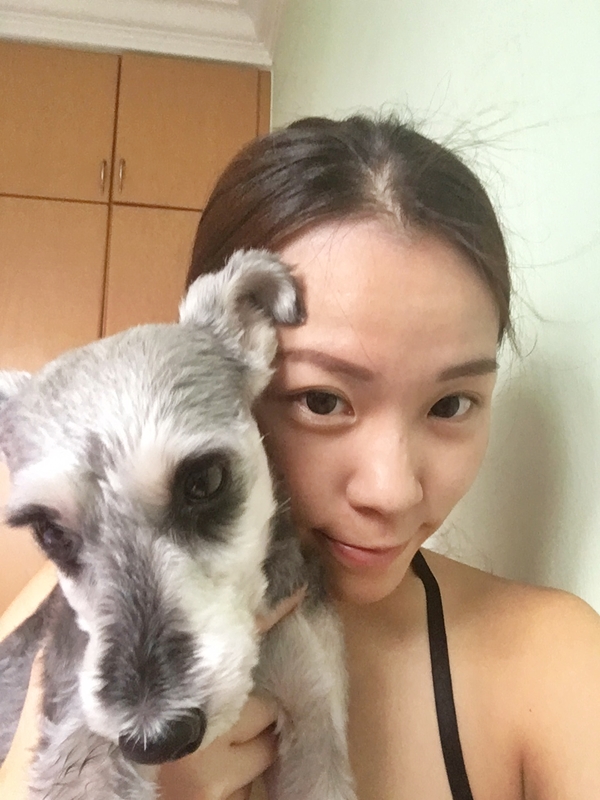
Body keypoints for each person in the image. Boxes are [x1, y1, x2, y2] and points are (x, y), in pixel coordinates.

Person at [2, 114, 600, 800]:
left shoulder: (556, 665)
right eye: (321, 400)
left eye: (451, 404)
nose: (391, 492)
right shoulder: (47, 618)